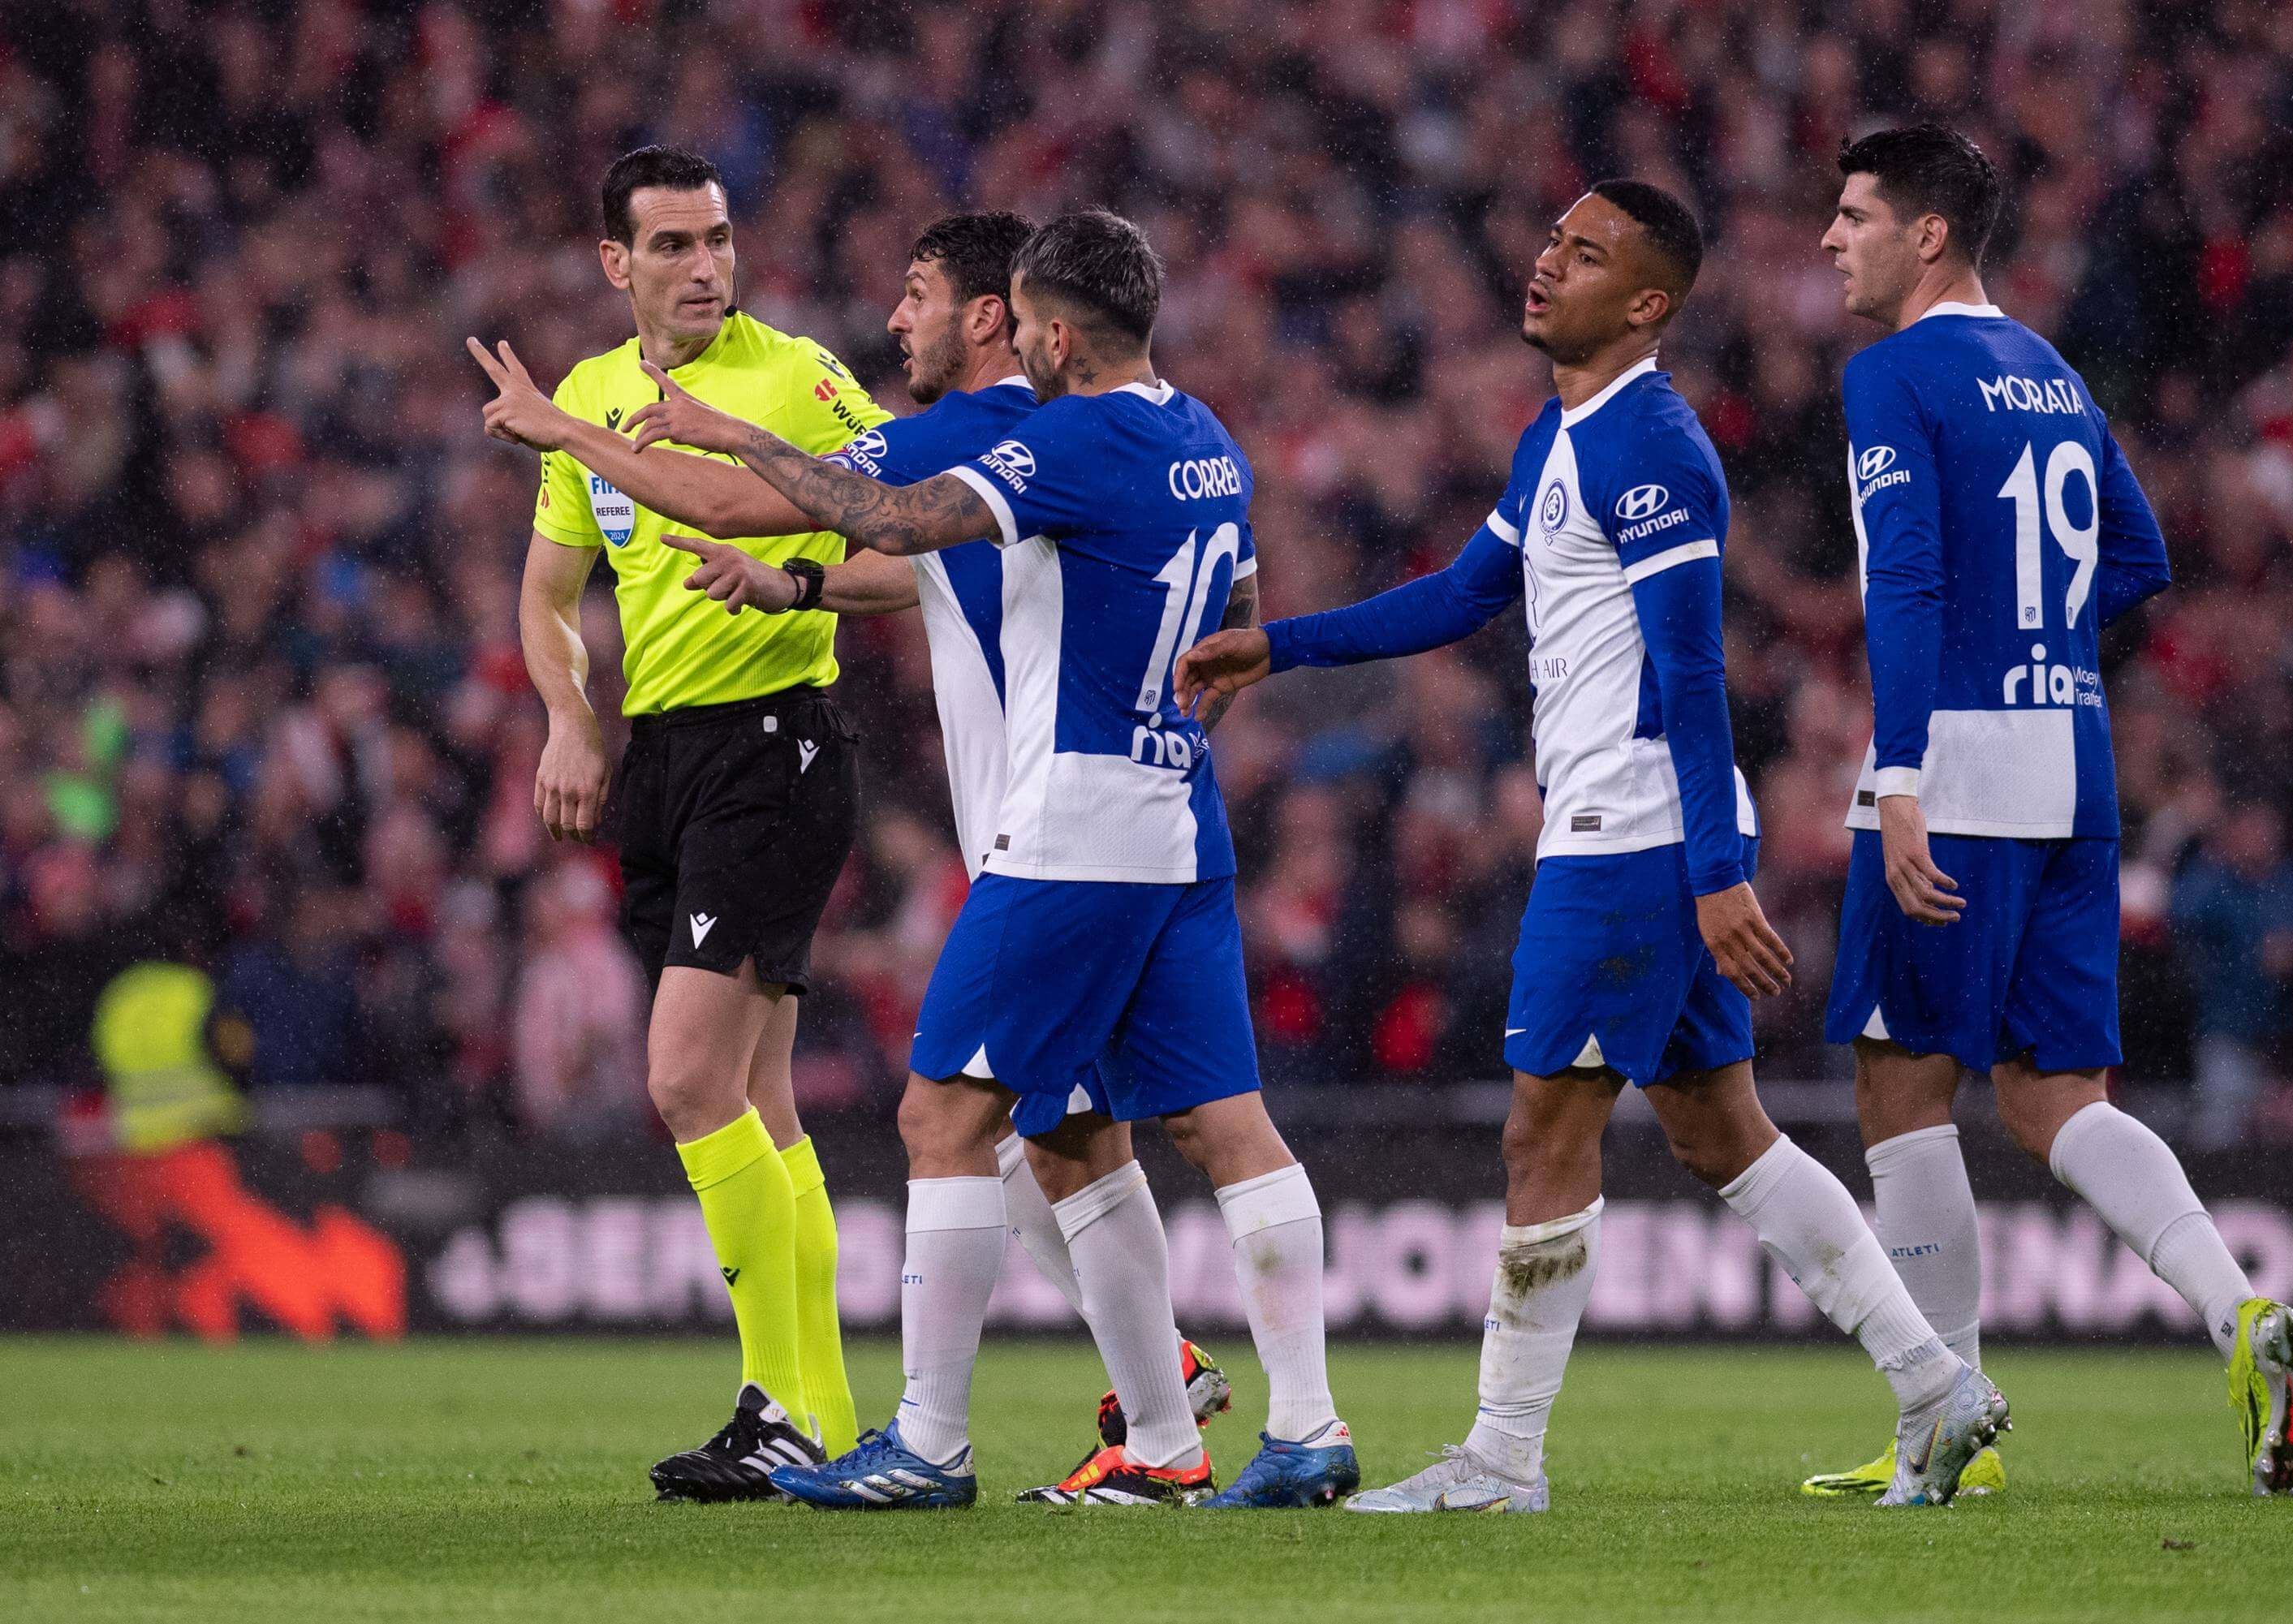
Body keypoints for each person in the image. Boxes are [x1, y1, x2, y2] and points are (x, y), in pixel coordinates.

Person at [1175, 179, 2005, 1513]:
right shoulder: (1562, 436)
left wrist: (1715, 872)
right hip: (1641, 828)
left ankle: (1503, 1459)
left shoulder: (1655, 448)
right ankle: (1934, 1380)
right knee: (1720, 1130)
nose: (1548, 261)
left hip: (1632, 831)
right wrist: (1284, 644)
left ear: (1649, 302)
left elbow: (1690, 666)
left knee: (1541, 1129)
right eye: (1554, 237)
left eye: (1587, 251)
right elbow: (1460, 595)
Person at [608, 208, 1359, 1510]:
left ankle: (929, 1444)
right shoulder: (1208, 440)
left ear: (1053, 332)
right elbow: (1233, 625)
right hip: (1179, 817)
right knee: (1178, 1126)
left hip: (1070, 828)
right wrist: (1167, 724)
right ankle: (1286, 1430)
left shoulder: (1067, 433)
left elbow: (895, 523)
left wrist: (738, 434)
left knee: (943, 1112)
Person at [1804, 124, 2293, 1500]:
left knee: (1901, 1088)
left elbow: (1903, 580)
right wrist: (2040, 639)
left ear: (1927, 236)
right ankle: (2240, 1313)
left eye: (1854, 215)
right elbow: (2139, 557)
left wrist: (1902, 771)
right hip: (2073, 764)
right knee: (2053, 1091)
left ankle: (1944, 1422)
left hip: (1955, 765)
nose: (1829, 238)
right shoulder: (2053, 371)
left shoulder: (1891, 376)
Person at [468, 144, 882, 1501]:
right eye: (671, 246)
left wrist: (795, 575)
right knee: (756, 1100)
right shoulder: (587, 396)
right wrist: (571, 718)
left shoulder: (804, 378)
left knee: (685, 1080)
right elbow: (544, 596)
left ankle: (780, 1407)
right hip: (669, 759)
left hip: (777, 740)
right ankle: (819, 1409)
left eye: (716, 239)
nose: (705, 266)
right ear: (615, 264)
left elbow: (904, 527)